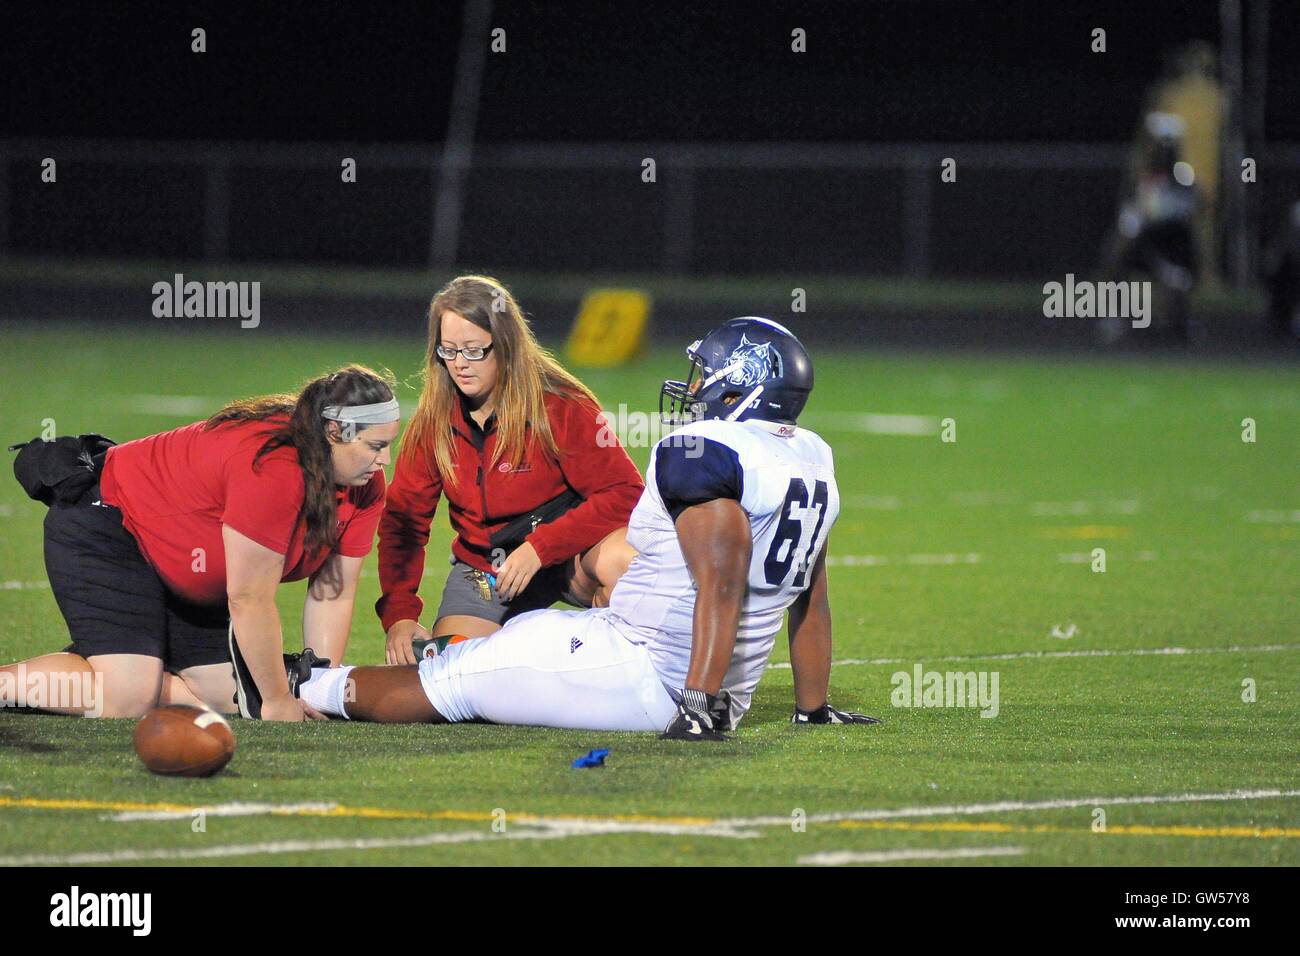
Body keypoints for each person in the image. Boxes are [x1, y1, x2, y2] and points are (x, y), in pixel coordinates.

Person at [297, 318, 878, 737]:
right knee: (485, 657)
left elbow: (720, 583)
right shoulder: (813, 457)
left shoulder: (706, 451)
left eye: (704, 375)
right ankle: (337, 678)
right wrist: (812, 707)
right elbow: (811, 598)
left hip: (647, 670)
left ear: (740, 382)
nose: (693, 387)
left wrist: (697, 704)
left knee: (453, 680)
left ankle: (309, 686)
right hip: (693, 676)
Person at [0, 365, 398, 722]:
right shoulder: (275, 468)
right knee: (126, 701)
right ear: (333, 433)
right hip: (109, 527)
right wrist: (277, 701)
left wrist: (320, 682)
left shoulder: (365, 484)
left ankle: (128, 657)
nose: (386, 460)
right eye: (376, 446)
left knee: (228, 696)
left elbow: (332, 593)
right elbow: (248, 599)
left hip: (179, 566)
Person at [378, 275, 643, 665]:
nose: (460, 365)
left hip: (570, 557)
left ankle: (617, 671)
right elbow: (403, 524)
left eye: (474, 350)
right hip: (487, 570)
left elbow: (625, 492)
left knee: (625, 562)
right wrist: (399, 614)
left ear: (505, 345)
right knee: (453, 669)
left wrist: (542, 546)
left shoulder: (561, 404)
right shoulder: (432, 423)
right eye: (448, 351)